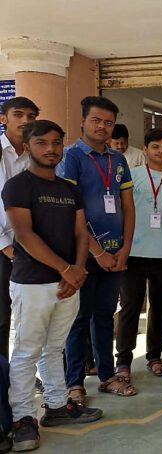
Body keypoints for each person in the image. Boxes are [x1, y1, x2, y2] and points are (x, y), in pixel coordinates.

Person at [3, 120, 103, 451]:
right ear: (28, 146)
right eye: (42, 143)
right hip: (32, 283)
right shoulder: (18, 186)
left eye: (57, 143)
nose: (50, 149)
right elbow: (24, 235)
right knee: (27, 351)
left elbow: (80, 233)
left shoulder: (69, 189)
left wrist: (78, 270)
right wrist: (66, 269)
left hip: (69, 282)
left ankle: (57, 406)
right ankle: (23, 419)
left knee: (55, 347)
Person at [57, 96, 137, 402]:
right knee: (78, 318)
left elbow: (128, 207)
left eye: (108, 122)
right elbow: (70, 211)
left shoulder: (118, 160)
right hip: (83, 255)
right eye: (96, 120)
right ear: (82, 121)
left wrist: (125, 248)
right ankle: (74, 383)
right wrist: (97, 253)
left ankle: (107, 376)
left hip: (116, 254)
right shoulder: (71, 157)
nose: (102, 127)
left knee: (105, 315)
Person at [115, 129, 162, 380]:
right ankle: (123, 361)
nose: (160, 151)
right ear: (145, 149)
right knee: (130, 307)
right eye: (155, 146)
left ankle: (154, 356)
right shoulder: (131, 176)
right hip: (132, 253)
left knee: (160, 307)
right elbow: (120, 212)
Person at [0, 97, 39, 359]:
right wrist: (5, 246)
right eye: (18, 114)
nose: (25, 120)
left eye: (31, 116)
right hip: (4, 248)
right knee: (2, 318)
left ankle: (23, 373)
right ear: (3, 118)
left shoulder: (35, 154)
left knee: (31, 317)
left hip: (32, 247)